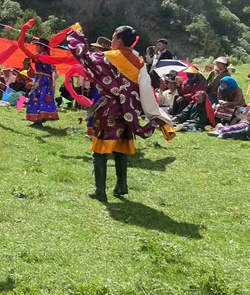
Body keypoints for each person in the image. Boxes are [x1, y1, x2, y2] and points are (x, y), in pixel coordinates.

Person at [68, 25, 175, 201]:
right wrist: (155, 115)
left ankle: (100, 191)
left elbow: (84, 56)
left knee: (100, 151)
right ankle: (121, 186)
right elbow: (146, 90)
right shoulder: (139, 62)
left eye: (113, 37)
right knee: (120, 149)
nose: (112, 41)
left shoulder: (108, 57)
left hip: (108, 109)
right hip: (127, 111)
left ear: (118, 40)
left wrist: (76, 35)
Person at [17, 20, 74, 125]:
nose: (36, 47)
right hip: (42, 79)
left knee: (38, 98)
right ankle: (39, 118)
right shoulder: (45, 56)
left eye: (37, 46)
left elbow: (24, 48)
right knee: (40, 98)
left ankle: (38, 119)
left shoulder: (43, 56)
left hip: (43, 81)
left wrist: (24, 30)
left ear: (42, 47)